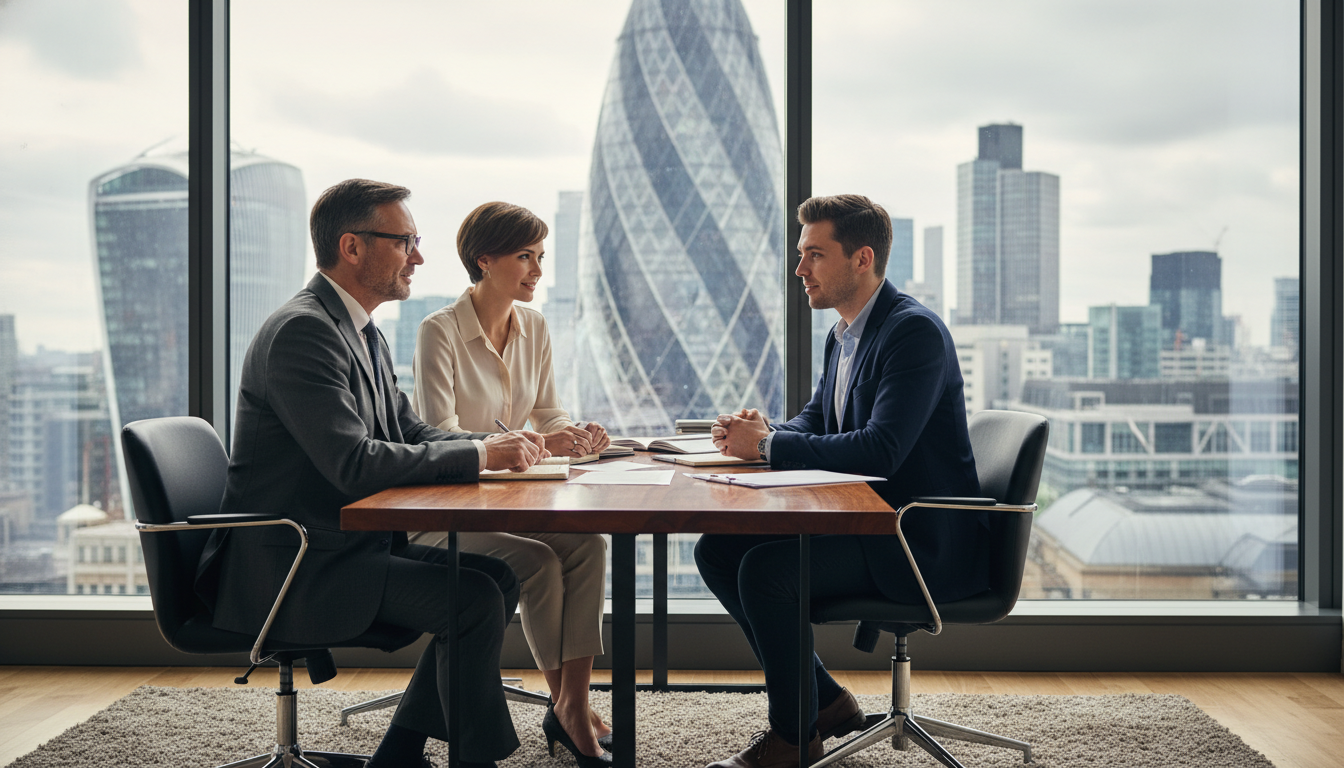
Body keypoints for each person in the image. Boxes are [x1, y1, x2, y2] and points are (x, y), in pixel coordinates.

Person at [197, 179, 551, 768]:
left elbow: (408, 432)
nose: (418, 255)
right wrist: (484, 457)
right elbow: (353, 462)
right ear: (352, 247)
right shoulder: (304, 332)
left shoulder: (360, 330)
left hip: (339, 548)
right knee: (471, 598)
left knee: (494, 582)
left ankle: (401, 753)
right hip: (293, 564)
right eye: (405, 240)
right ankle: (473, 761)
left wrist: (492, 443)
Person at [697, 194, 986, 768]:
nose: (799, 268)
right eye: (800, 254)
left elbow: (881, 450)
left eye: (813, 254)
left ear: (862, 259)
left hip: (914, 539)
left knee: (767, 571)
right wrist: (766, 432)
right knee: (719, 551)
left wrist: (769, 447)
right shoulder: (845, 332)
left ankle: (792, 738)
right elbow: (819, 419)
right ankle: (826, 702)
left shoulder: (913, 333)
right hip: (872, 523)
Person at [411, 201, 613, 766]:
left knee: (590, 546)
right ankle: (568, 708)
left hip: (514, 497)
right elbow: (442, 435)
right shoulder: (440, 331)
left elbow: (546, 411)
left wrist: (570, 433)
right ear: (485, 259)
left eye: (541, 256)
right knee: (544, 563)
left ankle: (573, 703)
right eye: (525, 256)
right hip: (452, 509)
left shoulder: (535, 326)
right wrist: (525, 444)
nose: (537, 271)